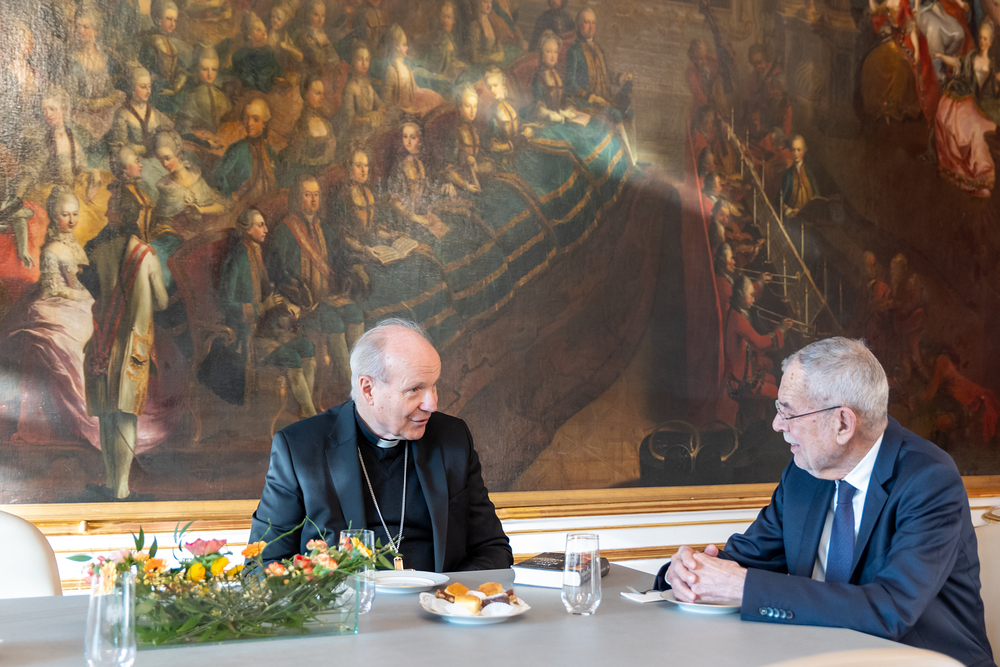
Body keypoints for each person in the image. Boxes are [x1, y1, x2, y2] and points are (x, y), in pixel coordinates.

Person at [660, 337, 995, 667]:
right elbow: (746, 559)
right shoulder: (804, 473)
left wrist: (744, 588)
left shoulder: (929, 479)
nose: (777, 425)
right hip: (819, 657)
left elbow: (891, 610)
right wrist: (687, 571)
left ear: (843, 423)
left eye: (788, 412)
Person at [247, 317, 513, 572]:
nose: (432, 404)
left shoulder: (452, 438)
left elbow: (493, 549)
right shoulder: (300, 448)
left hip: (438, 601)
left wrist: (445, 594)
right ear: (368, 389)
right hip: (348, 602)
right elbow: (262, 564)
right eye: (414, 389)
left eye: (433, 386)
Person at [84, 177, 169, 500]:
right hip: (133, 346)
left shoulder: (99, 250)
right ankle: (121, 488)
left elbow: (96, 292)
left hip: (102, 342)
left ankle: (112, 483)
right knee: (125, 414)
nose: (107, 213)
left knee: (108, 415)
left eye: (111, 208)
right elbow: (161, 302)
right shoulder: (145, 254)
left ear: (118, 214)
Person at [198, 207, 318, 415]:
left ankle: (304, 410)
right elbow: (225, 304)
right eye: (260, 225)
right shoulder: (235, 260)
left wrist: (285, 304)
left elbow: (265, 292)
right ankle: (311, 414)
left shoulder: (257, 253)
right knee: (293, 357)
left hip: (268, 329)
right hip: (247, 337)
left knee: (307, 348)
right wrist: (261, 308)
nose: (266, 229)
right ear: (247, 229)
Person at [266, 174, 364, 391]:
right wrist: (294, 286)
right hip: (305, 303)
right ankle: (353, 387)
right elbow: (275, 270)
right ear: (296, 198)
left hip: (329, 297)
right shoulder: (284, 231)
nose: (313, 200)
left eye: (316, 195)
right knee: (334, 323)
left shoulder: (325, 228)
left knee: (356, 314)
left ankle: (359, 373)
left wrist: (354, 267)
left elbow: (339, 258)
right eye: (307, 195)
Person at [934, 20, 1000, 198]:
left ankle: (982, 177)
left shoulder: (993, 64)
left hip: (987, 105)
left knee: (979, 132)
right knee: (954, 121)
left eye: (985, 39)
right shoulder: (971, 57)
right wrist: (941, 56)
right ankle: (967, 173)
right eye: (980, 38)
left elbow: (995, 89)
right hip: (970, 102)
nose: (982, 41)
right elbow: (957, 62)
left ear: (991, 42)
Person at [565, 8, 637, 164]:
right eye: (586, 22)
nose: (591, 26)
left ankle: (634, 159)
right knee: (616, 115)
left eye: (593, 23)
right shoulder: (574, 51)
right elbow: (569, 83)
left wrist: (621, 77)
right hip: (585, 103)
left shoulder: (598, 48)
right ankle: (629, 163)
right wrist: (591, 97)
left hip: (604, 99)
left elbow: (606, 74)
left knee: (629, 113)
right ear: (578, 25)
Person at [66, 6, 125, 142]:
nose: (80, 31)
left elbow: (109, 88)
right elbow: (72, 99)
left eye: (86, 27)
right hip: (81, 116)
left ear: (96, 30)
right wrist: (100, 102)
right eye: (77, 26)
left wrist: (112, 96)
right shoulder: (71, 60)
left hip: (104, 113)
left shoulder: (105, 57)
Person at [213, 97, 278, 203]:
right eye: (246, 118)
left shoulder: (270, 150)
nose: (249, 123)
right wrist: (228, 195)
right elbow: (218, 174)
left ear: (264, 123)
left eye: (255, 119)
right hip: (243, 204)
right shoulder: (237, 148)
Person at [139, 0, 190, 115]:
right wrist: (163, 85)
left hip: (171, 90)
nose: (173, 24)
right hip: (156, 92)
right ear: (158, 19)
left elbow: (179, 66)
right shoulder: (150, 43)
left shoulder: (172, 42)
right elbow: (146, 71)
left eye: (175, 20)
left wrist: (177, 84)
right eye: (168, 19)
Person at [176, 47, 232, 145]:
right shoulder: (192, 95)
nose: (210, 74)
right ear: (198, 69)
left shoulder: (222, 96)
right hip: (200, 143)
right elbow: (182, 125)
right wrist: (195, 133)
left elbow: (230, 123)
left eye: (214, 69)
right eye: (205, 69)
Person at [779, 136, 820, 218]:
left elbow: (816, 196)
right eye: (793, 150)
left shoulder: (809, 172)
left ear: (804, 151)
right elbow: (779, 200)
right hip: (793, 218)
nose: (796, 153)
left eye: (799, 150)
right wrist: (789, 211)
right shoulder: (788, 174)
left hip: (810, 217)